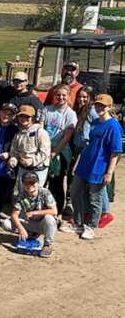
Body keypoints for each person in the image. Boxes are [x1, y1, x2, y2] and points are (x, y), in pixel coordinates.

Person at [71, 94, 122, 240]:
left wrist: (109, 173)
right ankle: (79, 223)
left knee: (95, 198)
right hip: (85, 164)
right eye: (98, 105)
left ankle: (91, 226)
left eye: (103, 106)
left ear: (110, 107)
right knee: (75, 192)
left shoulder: (113, 126)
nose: (99, 108)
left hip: (99, 167)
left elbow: (115, 152)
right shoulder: (94, 122)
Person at [39, 84, 77, 216]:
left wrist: (54, 152)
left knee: (57, 182)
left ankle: (57, 212)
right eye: (58, 95)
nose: (60, 97)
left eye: (63, 95)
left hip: (60, 152)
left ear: (68, 97)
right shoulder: (46, 110)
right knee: (42, 181)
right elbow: (41, 129)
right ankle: (41, 208)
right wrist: (43, 149)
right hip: (44, 150)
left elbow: (67, 136)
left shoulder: (70, 114)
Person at [3, 173, 58, 258]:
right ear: (23, 184)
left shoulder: (45, 192)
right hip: (28, 223)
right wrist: (21, 229)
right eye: (26, 183)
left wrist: (34, 213)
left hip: (42, 224)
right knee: (6, 223)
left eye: (32, 183)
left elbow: (54, 211)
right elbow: (14, 214)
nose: (30, 186)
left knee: (49, 218)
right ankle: (29, 235)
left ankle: (47, 245)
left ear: (38, 183)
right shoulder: (21, 195)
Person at [8, 105, 51, 186]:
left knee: (34, 193)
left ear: (33, 118)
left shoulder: (40, 132)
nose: (24, 119)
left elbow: (45, 152)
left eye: (27, 116)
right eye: (21, 116)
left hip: (38, 170)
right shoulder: (18, 134)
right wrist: (13, 159)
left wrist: (32, 161)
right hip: (22, 168)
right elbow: (14, 150)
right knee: (22, 192)